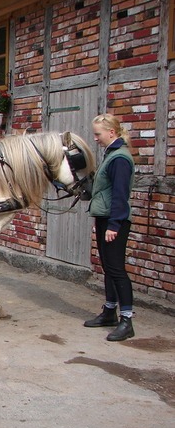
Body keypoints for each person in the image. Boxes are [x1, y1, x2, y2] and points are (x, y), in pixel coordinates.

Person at [84, 114, 135, 341]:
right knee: (108, 267)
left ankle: (127, 320)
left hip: (115, 220)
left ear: (111, 132)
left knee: (116, 269)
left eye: (98, 134)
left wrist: (114, 225)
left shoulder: (120, 159)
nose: (95, 138)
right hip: (106, 217)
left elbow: (120, 195)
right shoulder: (111, 154)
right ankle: (109, 312)